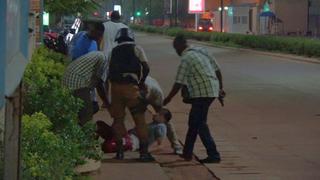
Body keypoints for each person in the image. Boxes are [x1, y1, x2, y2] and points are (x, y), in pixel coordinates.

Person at [163, 35, 225, 164]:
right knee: (194, 123)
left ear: (179, 47)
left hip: (202, 93)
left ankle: (213, 154)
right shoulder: (201, 50)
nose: (177, 52)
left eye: (176, 49)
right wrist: (220, 89)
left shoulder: (185, 58)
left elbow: (178, 82)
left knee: (199, 124)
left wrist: (168, 98)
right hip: (211, 89)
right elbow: (217, 70)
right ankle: (187, 153)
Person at [108, 28, 153, 161]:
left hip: (115, 88)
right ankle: (144, 153)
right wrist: (141, 82)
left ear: (118, 39)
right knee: (139, 119)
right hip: (131, 88)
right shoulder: (136, 48)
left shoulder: (114, 51)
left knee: (118, 120)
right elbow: (146, 67)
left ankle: (120, 152)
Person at [68, 23, 106, 113]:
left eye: (101, 35)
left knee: (92, 107)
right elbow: (70, 49)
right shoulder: (79, 36)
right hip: (76, 77)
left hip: (87, 79)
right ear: (93, 31)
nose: (99, 37)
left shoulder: (95, 44)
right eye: (98, 35)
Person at [96, 108, 172, 153]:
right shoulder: (153, 124)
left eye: (159, 114)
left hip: (133, 142)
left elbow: (160, 145)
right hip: (128, 136)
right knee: (100, 125)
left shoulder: (161, 126)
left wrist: (146, 150)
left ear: (164, 119)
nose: (155, 114)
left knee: (107, 146)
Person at [142, 76, 183, 154]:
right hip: (136, 92)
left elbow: (164, 116)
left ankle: (176, 145)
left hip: (154, 95)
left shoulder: (156, 92)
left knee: (165, 119)